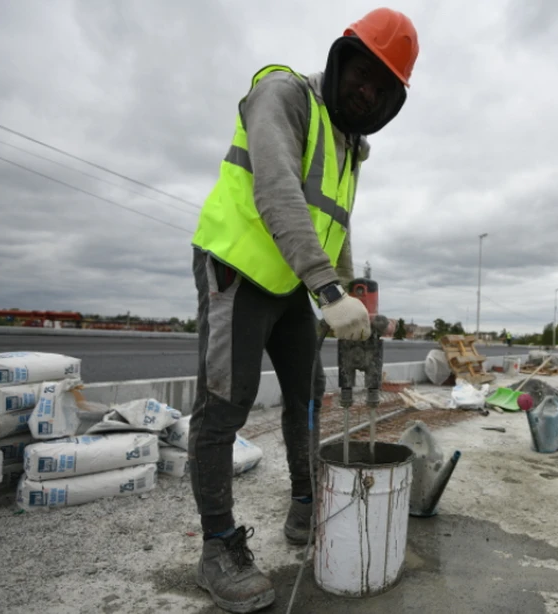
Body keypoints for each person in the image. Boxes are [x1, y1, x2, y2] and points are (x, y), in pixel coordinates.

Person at [187, 9, 419, 612]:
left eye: (382, 88)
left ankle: (305, 502)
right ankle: (218, 548)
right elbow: (276, 189)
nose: (366, 91)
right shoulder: (283, 94)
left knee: (307, 396)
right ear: (342, 59)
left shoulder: (351, 146)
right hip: (237, 271)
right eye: (362, 74)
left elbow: (336, 227)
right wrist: (326, 287)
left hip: (293, 288)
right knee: (224, 404)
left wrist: (349, 295)